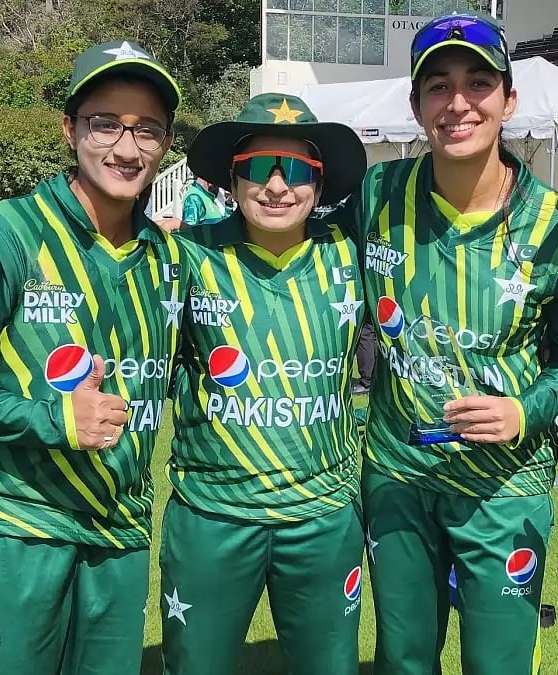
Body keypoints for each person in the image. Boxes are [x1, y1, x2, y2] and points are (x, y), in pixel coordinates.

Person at [0, 40, 184, 674]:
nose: (125, 147)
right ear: (70, 129)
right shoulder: (4, 235)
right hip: (10, 525)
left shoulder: (169, 259)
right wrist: (56, 421)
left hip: (119, 534)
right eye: (106, 123)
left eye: (147, 130)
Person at [346, 13, 558, 674]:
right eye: (438, 85)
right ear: (416, 104)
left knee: (499, 663)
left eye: (478, 83)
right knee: (403, 658)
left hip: (504, 486)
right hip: (399, 473)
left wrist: (524, 412)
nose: (458, 102)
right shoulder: (376, 193)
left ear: (508, 100)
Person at [158, 93, 368, 675]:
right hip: (213, 514)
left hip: (322, 517)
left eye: (298, 169)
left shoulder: (352, 254)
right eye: (258, 168)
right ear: (231, 177)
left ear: (321, 184)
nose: (277, 186)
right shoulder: (186, 257)